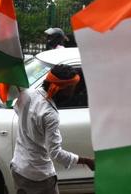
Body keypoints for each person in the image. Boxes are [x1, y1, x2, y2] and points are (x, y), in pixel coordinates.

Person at [10, 64, 94, 194]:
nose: (73, 91)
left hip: (18, 169)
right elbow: (55, 153)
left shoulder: (27, 94)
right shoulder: (50, 114)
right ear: (61, 88)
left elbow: (17, 109)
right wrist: (86, 161)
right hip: (39, 178)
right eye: (72, 87)